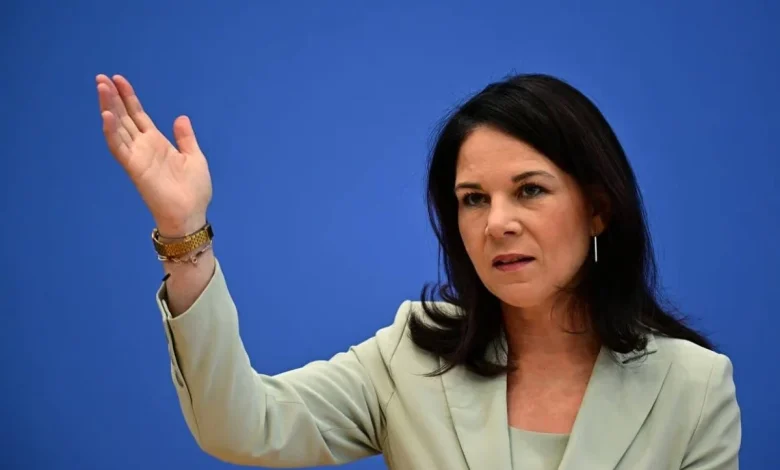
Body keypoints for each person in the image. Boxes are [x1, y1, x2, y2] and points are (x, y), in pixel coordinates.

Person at [96, 72, 741, 469]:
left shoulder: (693, 387)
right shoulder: (411, 355)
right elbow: (242, 425)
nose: (498, 223)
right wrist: (184, 233)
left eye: (530, 190)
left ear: (598, 208)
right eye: (473, 199)